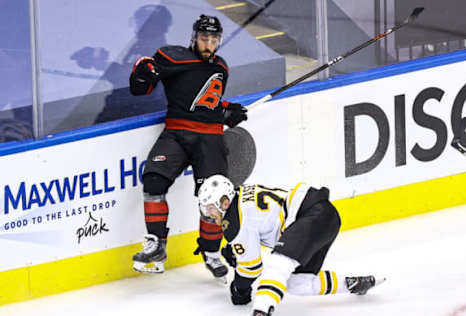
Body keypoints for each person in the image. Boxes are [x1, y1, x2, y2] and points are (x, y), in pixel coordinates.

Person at [129, 14, 248, 281]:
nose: (208, 44)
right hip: (176, 133)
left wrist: (228, 111)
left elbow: (207, 102)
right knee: (153, 181)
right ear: (194, 38)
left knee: (213, 201)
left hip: (210, 139)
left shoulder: (221, 67)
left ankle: (211, 252)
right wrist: (142, 70)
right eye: (204, 38)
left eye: (213, 40)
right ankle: (157, 246)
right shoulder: (173, 57)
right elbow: (141, 88)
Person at [197, 175, 385, 316]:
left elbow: (251, 269)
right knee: (297, 283)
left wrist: (239, 290)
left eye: (210, 208)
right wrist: (237, 253)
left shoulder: (232, 222)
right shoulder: (241, 194)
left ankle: (261, 310)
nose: (209, 214)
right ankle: (352, 284)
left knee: (279, 264)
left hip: (310, 215)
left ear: (224, 201)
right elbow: (258, 224)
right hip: (324, 216)